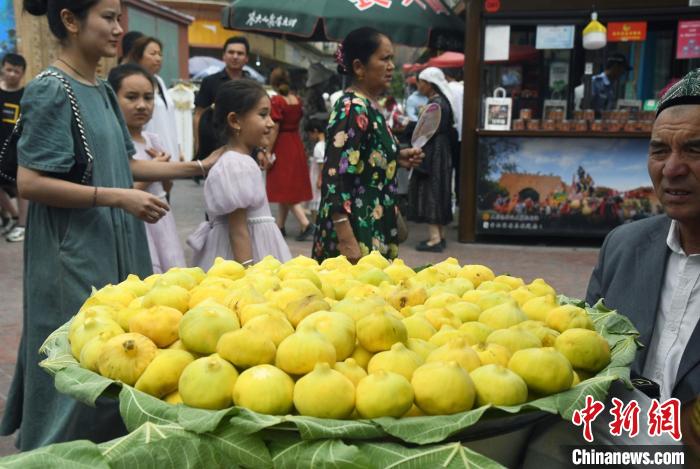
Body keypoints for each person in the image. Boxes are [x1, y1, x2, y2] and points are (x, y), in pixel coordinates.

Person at [1, 0, 222, 451]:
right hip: (71, 252)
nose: (119, 29)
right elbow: (30, 181)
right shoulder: (50, 88)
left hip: (113, 242)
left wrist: (200, 165)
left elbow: (122, 163)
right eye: (109, 18)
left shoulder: (100, 89)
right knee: (77, 361)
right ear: (70, 20)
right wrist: (118, 197)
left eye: (119, 18)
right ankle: (54, 455)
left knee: (117, 352)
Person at [521, 68, 700, 468]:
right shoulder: (624, 245)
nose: (672, 168)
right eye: (659, 151)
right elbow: (581, 356)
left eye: (695, 150)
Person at [311, 27, 423, 263]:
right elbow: (336, 175)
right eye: (384, 59)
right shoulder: (352, 107)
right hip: (355, 227)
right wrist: (345, 236)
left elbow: (362, 156)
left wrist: (396, 157)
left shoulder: (371, 105)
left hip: (374, 219)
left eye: (391, 58)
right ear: (359, 67)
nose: (391, 66)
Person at [187, 79, 291, 268]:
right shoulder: (236, 164)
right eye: (263, 115)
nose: (271, 123)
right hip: (248, 252)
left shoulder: (238, 160)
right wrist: (247, 273)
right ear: (235, 121)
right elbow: (238, 230)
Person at [108, 63, 186, 273]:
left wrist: (166, 172)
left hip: (161, 222)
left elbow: (165, 190)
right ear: (112, 99)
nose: (142, 105)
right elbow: (117, 194)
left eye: (148, 98)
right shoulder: (114, 144)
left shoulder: (153, 140)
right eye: (131, 97)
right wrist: (154, 171)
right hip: (134, 224)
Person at [407, 67, 457, 252]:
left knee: (432, 190)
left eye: (421, 81)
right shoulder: (444, 102)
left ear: (429, 84)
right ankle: (440, 235)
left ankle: (434, 239)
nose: (419, 85)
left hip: (432, 151)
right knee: (440, 189)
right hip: (441, 150)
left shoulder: (435, 105)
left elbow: (424, 131)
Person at [265, 67, 314, 241]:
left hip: (282, 146)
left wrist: (268, 151)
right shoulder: (296, 100)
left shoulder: (277, 101)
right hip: (295, 143)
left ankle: (305, 223)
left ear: (274, 83)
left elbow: (275, 128)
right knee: (286, 188)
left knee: (284, 187)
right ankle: (280, 226)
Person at [194, 36, 249, 162]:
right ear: (223, 56)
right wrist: (198, 144)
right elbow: (198, 114)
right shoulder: (210, 82)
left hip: (246, 145)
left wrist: (262, 149)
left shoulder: (252, 84)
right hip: (215, 145)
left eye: (240, 53)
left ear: (246, 58)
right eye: (231, 52)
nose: (235, 56)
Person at [126, 36, 180, 163]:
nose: (158, 58)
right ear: (139, 56)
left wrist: (178, 148)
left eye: (160, 54)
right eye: (153, 54)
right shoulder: (133, 81)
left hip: (168, 152)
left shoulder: (159, 81)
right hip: (148, 152)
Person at [0, 53, 28, 242]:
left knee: (20, 188)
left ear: (22, 73)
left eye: (16, 71)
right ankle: (12, 216)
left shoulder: (25, 95)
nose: (11, 74)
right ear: (2, 68)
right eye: (8, 69)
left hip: (17, 148)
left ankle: (23, 225)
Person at [590, 53, 632, 117]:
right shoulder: (595, 82)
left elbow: (608, 108)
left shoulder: (612, 86)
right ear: (615, 67)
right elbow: (587, 107)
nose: (623, 73)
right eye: (622, 70)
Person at [305, 114, 327, 226]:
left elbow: (321, 164)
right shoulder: (325, 144)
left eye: (310, 134)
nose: (309, 136)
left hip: (316, 178)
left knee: (316, 203)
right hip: (318, 177)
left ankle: (316, 226)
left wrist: (320, 178)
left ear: (315, 131)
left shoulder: (318, 147)